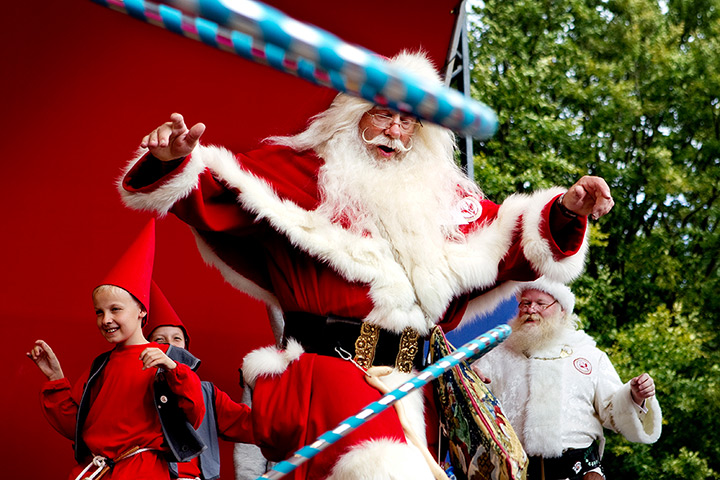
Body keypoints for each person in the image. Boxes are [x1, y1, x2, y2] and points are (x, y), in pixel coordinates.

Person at [119, 50, 614, 479]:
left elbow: (512, 242)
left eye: (409, 122)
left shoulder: (443, 201)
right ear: (356, 113)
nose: (396, 133)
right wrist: (169, 162)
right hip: (327, 381)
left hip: (411, 391)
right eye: (383, 115)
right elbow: (214, 188)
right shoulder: (304, 173)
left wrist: (567, 211)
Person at [26, 219, 206, 480]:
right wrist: (55, 379)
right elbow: (75, 427)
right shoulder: (101, 365)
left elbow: (194, 415)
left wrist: (172, 369)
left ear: (142, 311)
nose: (106, 319)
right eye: (99, 312)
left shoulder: (168, 360)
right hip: (98, 473)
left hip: (142, 473)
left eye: (115, 310)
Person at [472, 278, 662, 480]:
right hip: (516, 471)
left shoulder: (589, 355)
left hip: (579, 471)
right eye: (525, 303)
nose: (531, 309)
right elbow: (473, 406)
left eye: (540, 303)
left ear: (562, 310)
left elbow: (613, 413)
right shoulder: (496, 356)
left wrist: (635, 396)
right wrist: (472, 381)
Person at [144, 280, 258, 480]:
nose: (171, 346)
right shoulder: (139, 389)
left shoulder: (207, 393)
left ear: (187, 347)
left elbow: (251, 425)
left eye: (177, 339)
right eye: (160, 340)